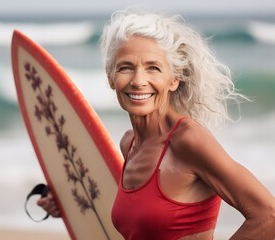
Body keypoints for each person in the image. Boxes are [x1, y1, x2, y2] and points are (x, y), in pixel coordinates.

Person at [37, 8, 275, 239]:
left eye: (153, 68)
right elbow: (139, 214)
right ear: (111, 78)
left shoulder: (188, 140)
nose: (139, 81)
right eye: (126, 68)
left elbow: (268, 216)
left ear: (173, 80)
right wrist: (68, 205)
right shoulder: (129, 143)